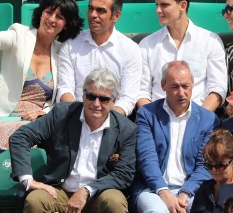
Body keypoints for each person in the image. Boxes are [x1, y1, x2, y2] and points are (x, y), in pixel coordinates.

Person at [9, 67, 137, 213]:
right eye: (90, 96)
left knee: (115, 202)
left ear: (113, 101)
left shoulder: (127, 129)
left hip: (100, 193)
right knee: (35, 200)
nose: (96, 103)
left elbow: (124, 174)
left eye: (103, 99)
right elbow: (20, 137)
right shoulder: (61, 114)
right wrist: (28, 180)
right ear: (83, 96)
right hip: (59, 191)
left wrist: (87, 190)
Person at [0, 0, 83, 150]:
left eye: (59, 17)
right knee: (4, 130)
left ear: (66, 24)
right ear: (41, 14)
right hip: (2, 113)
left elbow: (64, 94)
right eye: (49, 12)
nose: (52, 19)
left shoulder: (63, 52)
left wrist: (45, 114)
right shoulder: (19, 34)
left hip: (38, 120)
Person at [133, 61, 220, 213]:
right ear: (163, 85)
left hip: (193, 189)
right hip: (152, 189)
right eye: (174, 86)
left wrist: (185, 194)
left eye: (185, 86)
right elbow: (147, 159)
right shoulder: (147, 115)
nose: (181, 93)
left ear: (193, 84)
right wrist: (164, 192)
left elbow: (204, 165)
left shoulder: (208, 119)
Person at [138, 0, 227, 112]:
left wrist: (199, 120)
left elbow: (217, 89)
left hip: (199, 118)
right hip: (158, 120)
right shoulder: (147, 45)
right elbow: (141, 92)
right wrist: (154, 120)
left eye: (164, 5)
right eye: (157, 5)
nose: (158, 10)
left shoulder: (210, 41)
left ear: (183, 5)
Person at [57, 0, 142, 116]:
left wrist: (106, 121)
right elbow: (65, 89)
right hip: (75, 116)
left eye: (100, 10)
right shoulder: (70, 45)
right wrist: (79, 118)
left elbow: (128, 98)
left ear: (116, 16)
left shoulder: (130, 50)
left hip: (113, 121)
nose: (93, 15)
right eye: (91, 8)